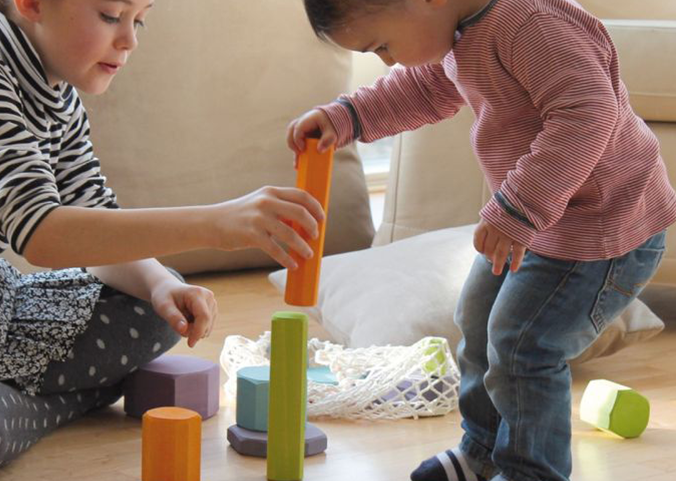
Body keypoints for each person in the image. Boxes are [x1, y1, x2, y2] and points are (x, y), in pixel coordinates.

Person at [0, 0, 324, 476]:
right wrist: (215, 223)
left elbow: (94, 220)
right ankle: (56, 400)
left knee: (156, 307)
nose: (130, 40)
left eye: (139, 20)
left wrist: (159, 286)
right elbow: (45, 236)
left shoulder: (56, 96)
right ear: (32, 4)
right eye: (111, 16)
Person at [288, 0, 676, 480]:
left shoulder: (531, 25)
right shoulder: (458, 28)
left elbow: (587, 115)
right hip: (537, 226)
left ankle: (532, 471)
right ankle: (484, 451)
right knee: (477, 321)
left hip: (599, 231)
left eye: (383, 45)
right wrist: (347, 116)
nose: (388, 60)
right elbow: (424, 88)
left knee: (522, 345)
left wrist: (517, 207)